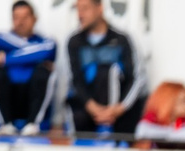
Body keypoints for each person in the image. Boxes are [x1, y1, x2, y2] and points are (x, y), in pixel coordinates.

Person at [62, 0, 144, 139]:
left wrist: (119, 108)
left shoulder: (122, 39)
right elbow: (75, 80)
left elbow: (136, 78)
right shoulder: (74, 41)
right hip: (87, 108)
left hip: (119, 111)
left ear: (100, 8)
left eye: (85, 9)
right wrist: (93, 107)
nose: (80, 15)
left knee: (107, 71)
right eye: (78, 9)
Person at [0, 0, 60, 132]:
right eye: (16, 18)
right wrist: (37, 54)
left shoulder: (47, 41)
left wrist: (6, 58)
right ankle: (5, 125)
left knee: (44, 72)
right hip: (10, 98)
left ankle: (33, 124)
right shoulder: (1, 38)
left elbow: (49, 49)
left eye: (25, 17)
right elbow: (45, 50)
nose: (20, 22)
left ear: (34, 18)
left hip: (32, 98)